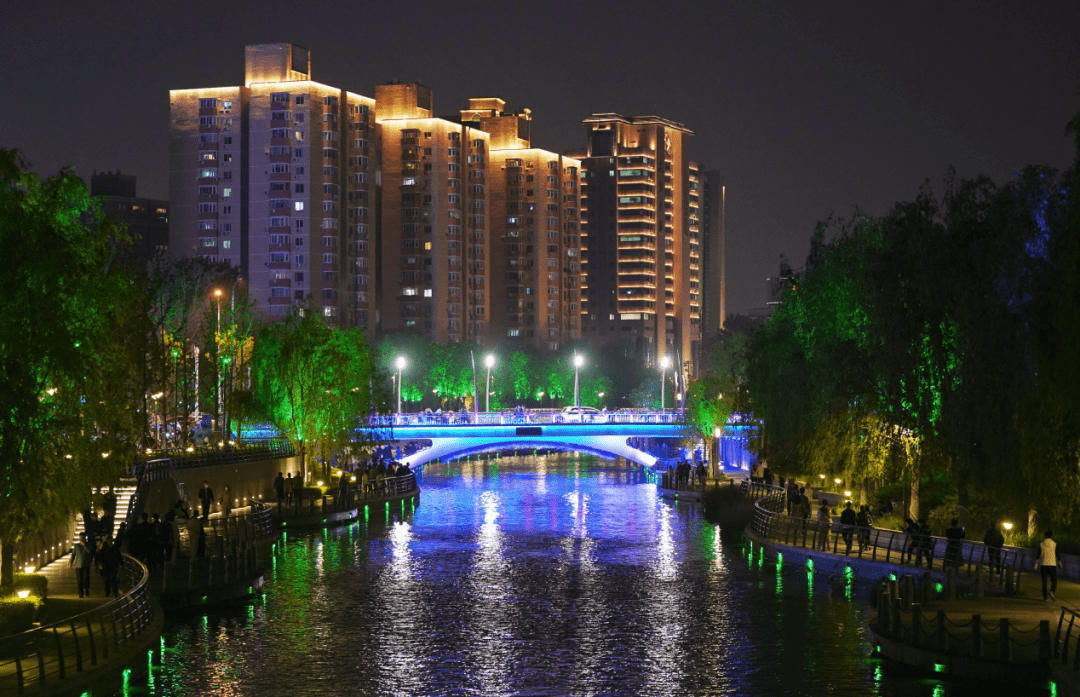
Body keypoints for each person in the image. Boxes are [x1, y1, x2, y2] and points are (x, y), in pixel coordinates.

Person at [1037, 530, 1059, 601]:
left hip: (1043, 564)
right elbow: (1057, 553)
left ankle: (1045, 597)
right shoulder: (1054, 544)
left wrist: (1036, 563)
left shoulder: (1041, 544)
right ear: (1051, 536)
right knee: (1054, 580)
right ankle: (1052, 591)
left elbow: (1038, 553)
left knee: (1044, 581)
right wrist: (1060, 561)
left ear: (1045, 536)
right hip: (1052, 564)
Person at [70, 533, 92, 598]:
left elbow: (89, 551)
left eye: (82, 538)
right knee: (79, 580)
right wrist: (70, 562)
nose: (81, 539)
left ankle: (87, 590)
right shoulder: (76, 546)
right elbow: (73, 554)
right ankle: (80, 593)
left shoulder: (89, 545)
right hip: (78, 565)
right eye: (80, 538)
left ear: (85, 538)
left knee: (86, 579)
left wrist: (84, 545)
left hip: (86, 565)